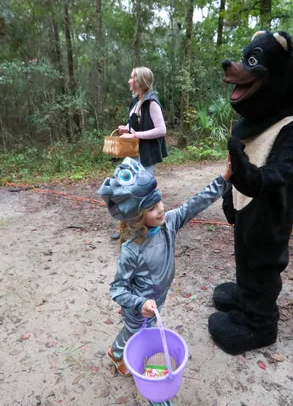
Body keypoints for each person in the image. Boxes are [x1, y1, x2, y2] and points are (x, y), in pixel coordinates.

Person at [98, 157, 231, 406]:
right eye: (151, 208)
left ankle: (116, 353)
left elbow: (195, 203)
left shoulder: (169, 222)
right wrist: (139, 304)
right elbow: (117, 288)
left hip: (157, 302)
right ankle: (158, 398)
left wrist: (223, 180)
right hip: (140, 310)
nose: (160, 208)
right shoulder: (132, 249)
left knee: (129, 333)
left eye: (158, 201)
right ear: (137, 217)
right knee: (145, 344)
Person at [111, 67, 168, 240]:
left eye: (132, 78)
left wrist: (135, 135)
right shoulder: (137, 101)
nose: (129, 81)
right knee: (129, 190)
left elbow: (161, 130)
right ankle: (128, 228)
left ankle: (152, 227)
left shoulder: (152, 102)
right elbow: (139, 125)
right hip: (134, 154)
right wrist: (127, 128)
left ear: (140, 81)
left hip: (146, 155)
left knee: (145, 193)